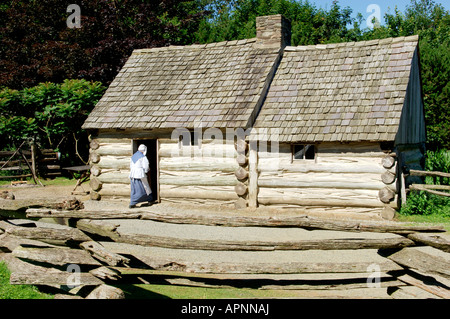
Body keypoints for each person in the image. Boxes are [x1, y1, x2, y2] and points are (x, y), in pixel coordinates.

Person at [129, 144, 153, 208]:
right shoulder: (143, 157)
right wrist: (146, 171)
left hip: (133, 174)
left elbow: (131, 166)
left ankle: (133, 202)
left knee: (134, 189)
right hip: (140, 174)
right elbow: (146, 165)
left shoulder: (133, 156)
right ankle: (149, 199)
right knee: (145, 187)